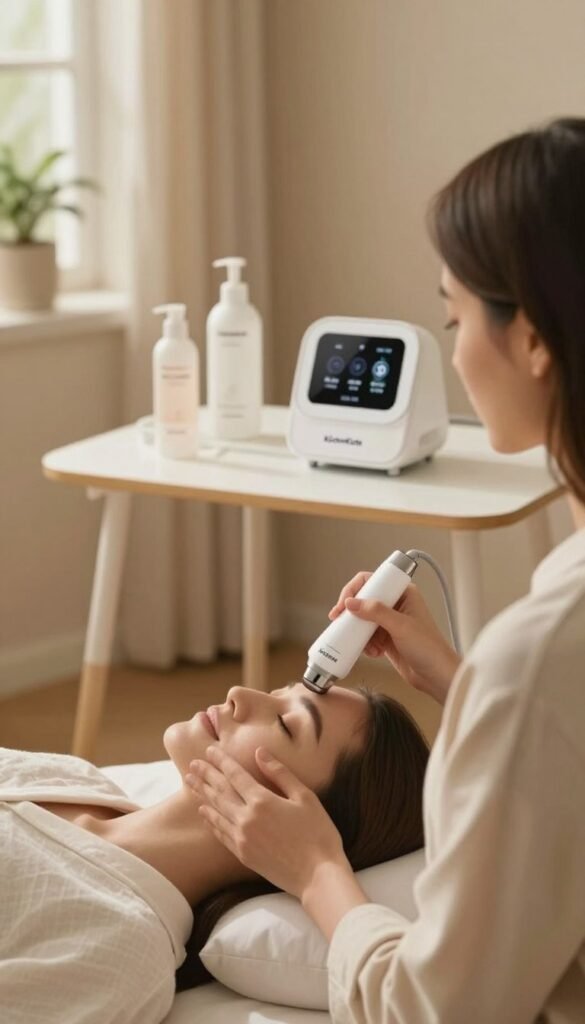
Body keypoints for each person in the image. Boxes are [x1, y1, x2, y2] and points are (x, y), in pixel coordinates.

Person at [186, 116, 585, 1024]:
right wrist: (464, 679)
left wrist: (317, 872)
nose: (450, 351)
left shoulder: (540, 656)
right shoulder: (532, 660)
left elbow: (441, 1010)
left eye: (453, 317)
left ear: (531, 339)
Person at [0, 681, 428, 1023]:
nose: (240, 695)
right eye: (278, 692)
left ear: (303, 817)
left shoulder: (118, 948)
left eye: (284, 724)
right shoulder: (71, 776)